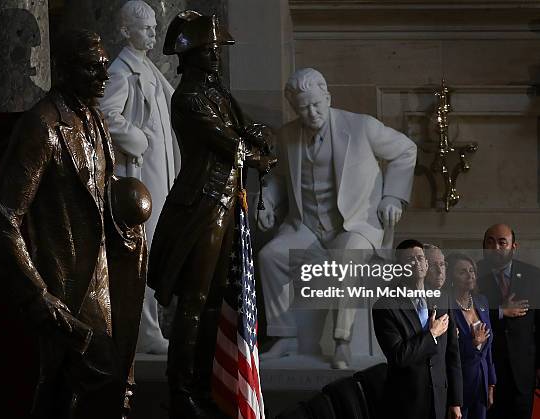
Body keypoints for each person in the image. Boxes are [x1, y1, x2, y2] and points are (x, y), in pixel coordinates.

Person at [0, 30, 149, 418]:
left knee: (112, 384)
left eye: (105, 67)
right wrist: (38, 296)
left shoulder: (95, 119)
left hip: (106, 273)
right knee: (70, 385)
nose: (103, 77)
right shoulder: (42, 126)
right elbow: (1, 217)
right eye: (92, 68)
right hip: (66, 282)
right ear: (64, 69)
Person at [146, 11, 273, 419]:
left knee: (217, 301)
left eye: (218, 48)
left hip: (225, 202)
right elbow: (226, 143)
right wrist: (258, 156)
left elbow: (240, 128)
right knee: (195, 301)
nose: (217, 54)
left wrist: (259, 135)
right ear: (191, 52)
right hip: (201, 202)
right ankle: (182, 390)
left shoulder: (216, 92)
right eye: (210, 49)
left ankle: (205, 384)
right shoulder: (189, 97)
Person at [258, 67, 417, 368]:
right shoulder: (287, 135)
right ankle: (284, 335)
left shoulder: (361, 127)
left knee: (347, 255)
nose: (311, 112)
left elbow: (405, 150)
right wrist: (266, 203)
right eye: (303, 107)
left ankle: (342, 340)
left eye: (316, 104)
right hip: (305, 226)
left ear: (328, 97)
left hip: (355, 223)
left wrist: (393, 197)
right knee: (270, 256)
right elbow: (277, 178)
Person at [99, 0, 181, 355]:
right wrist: (139, 138)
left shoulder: (146, 65)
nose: (152, 33)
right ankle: (144, 328)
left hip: (160, 169)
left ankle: (150, 324)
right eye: (145, 28)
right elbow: (106, 112)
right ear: (125, 31)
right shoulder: (121, 70)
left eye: (153, 27)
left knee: (157, 246)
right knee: (143, 248)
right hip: (141, 171)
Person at [373, 239, 463, 419]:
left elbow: (452, 354)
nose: (417, 263)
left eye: (420, 258)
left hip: (439, 398)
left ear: (426, 263)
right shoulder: (384, 306)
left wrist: (456, 401)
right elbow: (399, 356)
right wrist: (432, 335)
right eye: (409, 260)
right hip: (406, 402)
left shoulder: (443, 298)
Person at [477, 224, 540, 419]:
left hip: (523, 371)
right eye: (490, 242)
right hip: (488, 370)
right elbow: (466, 315)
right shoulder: (472, 274)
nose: (496, 247)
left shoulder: (533, 275)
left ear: (513, 246)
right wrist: (501, 312)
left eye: (502, 242)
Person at [448, 253, 496, 419]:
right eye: (462, 272)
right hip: (459, 387)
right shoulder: (446, 306)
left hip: (481, 384)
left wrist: (490, 385)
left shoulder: (482, 302)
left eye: (471, 270)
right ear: (451, 277)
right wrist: (474, 342)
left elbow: (488, 350)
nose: (470, 275)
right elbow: (447, 352)